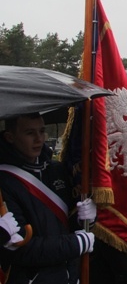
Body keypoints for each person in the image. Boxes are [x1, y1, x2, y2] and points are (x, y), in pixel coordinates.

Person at [0, 113, 96, 284]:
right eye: (30, 133)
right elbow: (21, 248)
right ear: (10, 137)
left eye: (42, 131)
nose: (39, 139)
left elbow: (64, 225)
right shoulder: (4, 180)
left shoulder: (57, 169)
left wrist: (84, 220)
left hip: (69, 276)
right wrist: (75, 244)